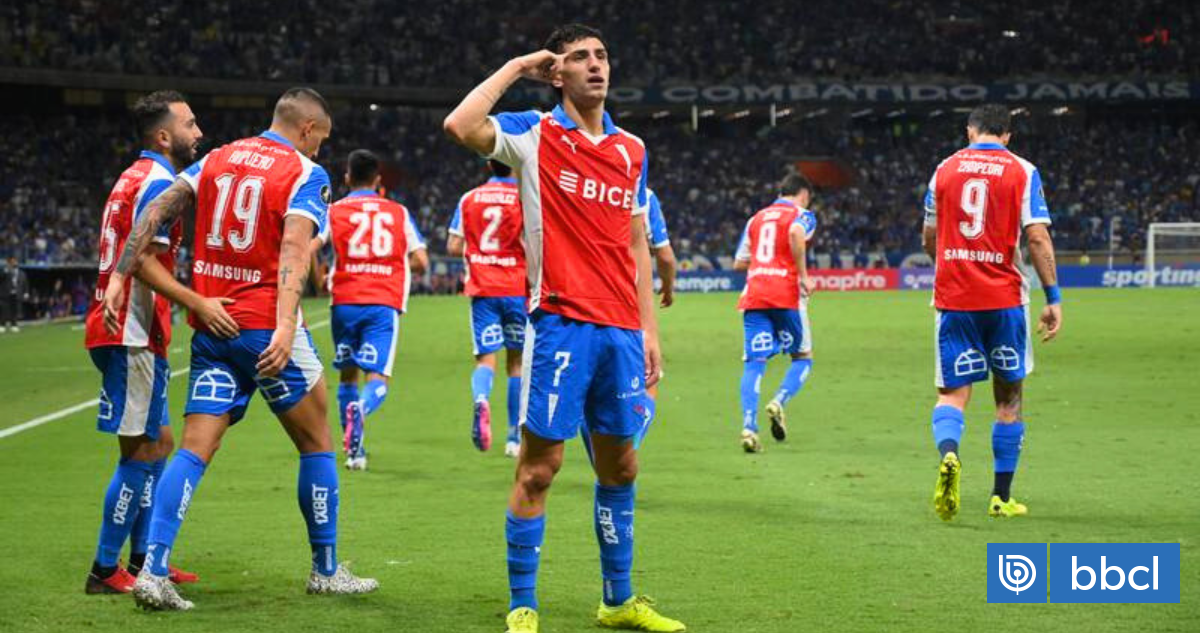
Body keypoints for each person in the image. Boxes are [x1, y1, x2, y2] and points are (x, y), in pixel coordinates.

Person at [443, 23, 684, 633]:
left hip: (621, 332)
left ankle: (617, 601)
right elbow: (460, 125)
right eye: (580, 58)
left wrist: (649, 329)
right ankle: (523, 603)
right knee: (539, 468)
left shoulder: (632, 149)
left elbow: (635, 243)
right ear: (558, 75)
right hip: (560, 324)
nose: (596, 66)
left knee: (621, 467)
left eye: (602, 55)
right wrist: (519, 64)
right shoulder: (532, 134)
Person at [103, 87, 378, 610]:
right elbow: (296, 248)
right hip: (262, 328)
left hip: (212, 325)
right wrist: (283, 325)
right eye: (321, 138)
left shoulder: (217, 158)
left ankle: (152, 571)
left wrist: (120, 276)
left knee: (192, 450)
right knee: (318, 442)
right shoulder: (304, 172)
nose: (320, 149)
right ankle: (325, 570)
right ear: (307, 130)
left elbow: (154, 212)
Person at [81, 90, 219, 594]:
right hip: (130, 331)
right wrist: (196, 302)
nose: (198, 132)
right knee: (141, 449)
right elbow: (144, 261)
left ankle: (142, 561)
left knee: (159, 443)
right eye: (190, 123)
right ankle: (103, 568)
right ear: (164, 136)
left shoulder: (132, 176)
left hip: (135, 328)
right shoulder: (159, 182)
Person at [921, 103, 1062, 521]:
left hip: (954, 300)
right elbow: (1036, 238)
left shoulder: (943, 169)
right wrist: (1053, 296)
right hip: (1004, 302)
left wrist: (948, 266)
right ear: (1007, 136)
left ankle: (949, 455)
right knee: (1009, 398)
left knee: (951, 394)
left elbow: (929, 235)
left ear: (970, 131)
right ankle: (1001, 497)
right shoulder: (1023, 170)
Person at [321, 149, 428, 470]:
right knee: (377, 378)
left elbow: (311, 244)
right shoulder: (398, 212)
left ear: (347, 178)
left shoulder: (334, 210)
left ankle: (355, 453)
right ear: (378, 180)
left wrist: (316, 276)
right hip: (382, 302)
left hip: (344, 300)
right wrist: (391, 267)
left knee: (347, 376)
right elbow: (421, 261)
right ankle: (362, 410)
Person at [732, 174, 817, 453]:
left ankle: (748, 427)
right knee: (802, 358)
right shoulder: (802, 214)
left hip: (754, 294)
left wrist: (763, 266)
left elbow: (738, 263)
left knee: (754, 362)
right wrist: (803, 275)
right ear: (803, 194)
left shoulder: (755, 219)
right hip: (786, 295)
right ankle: (779, 401)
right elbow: (795, 233)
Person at [447, 160, 526, 457]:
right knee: (516, 364)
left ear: (489, 164)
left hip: (483, 289)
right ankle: (513, 439)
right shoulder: (524, 196)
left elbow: (453, 246)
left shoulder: (470, 198)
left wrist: (481, 251)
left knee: (485, 360)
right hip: (517, 288)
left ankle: (481, 398)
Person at [0, 255, 29, 332]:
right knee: (4, 310)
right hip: (5, 294)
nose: (14, 263)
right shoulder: (4, 270)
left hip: (16, 293)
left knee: (15, 311)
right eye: (12, 261)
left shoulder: (21, 273)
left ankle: (14, 325)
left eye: (15, 261)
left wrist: (26, 292)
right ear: (9, 262)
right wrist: (5, 271)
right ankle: (2, 325)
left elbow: (25, 283)